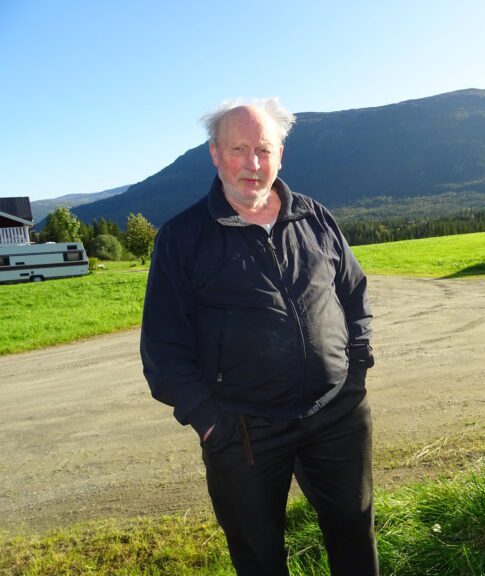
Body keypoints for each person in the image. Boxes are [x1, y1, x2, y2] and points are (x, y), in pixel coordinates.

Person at [140, 98, 378, 575]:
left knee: (354, 534)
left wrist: (356, 371)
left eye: (263, 149)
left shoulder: (314, 218)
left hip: (337, 414)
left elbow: (354, 296)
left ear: (280, 156)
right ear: (214, 153)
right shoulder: (183, 238)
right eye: (239, 148)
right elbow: (163, 351)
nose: (253, 164)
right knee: (259, 556)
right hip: (243, 432)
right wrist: (211, 422)